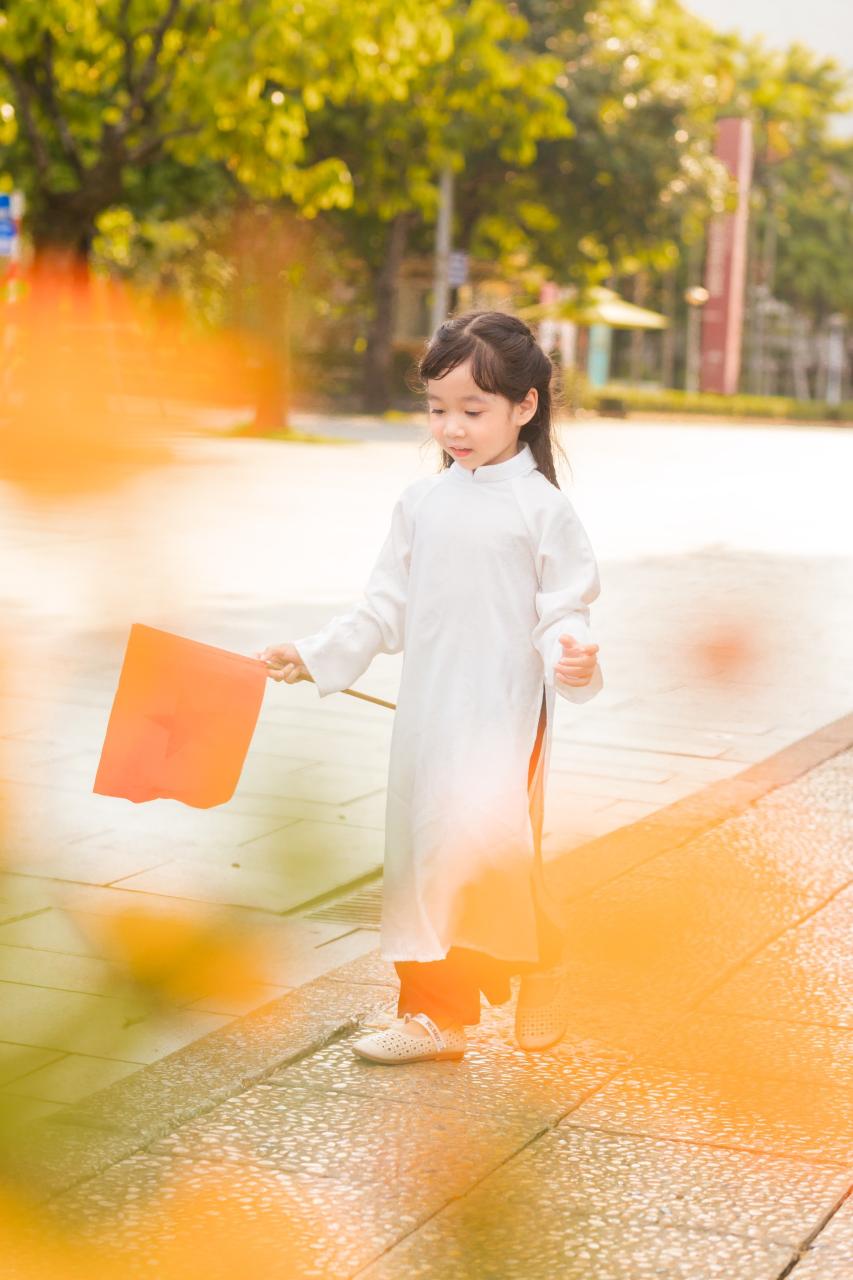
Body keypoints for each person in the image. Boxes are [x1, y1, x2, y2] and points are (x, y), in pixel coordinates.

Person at [256, 311, 602, 1065]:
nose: (452, 428)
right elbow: (385, 605)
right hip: (427, 712)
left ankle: (542, 961)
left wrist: (571, 656)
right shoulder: (421, 504)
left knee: (488, 847)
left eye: (473, 410)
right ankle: (433, 1021)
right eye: (438, 409)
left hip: (505, 712)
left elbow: (562, 609)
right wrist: (313, 655)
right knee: (420, 853)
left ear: (525, 406)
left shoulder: (541, 508)